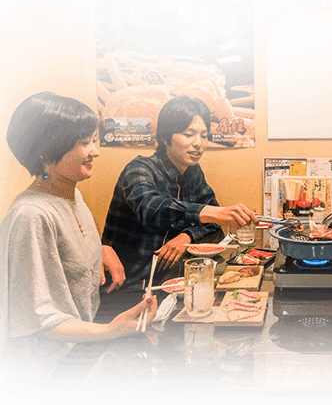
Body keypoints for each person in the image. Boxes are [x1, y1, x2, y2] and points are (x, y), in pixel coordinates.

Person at [0, 92, 158, 372]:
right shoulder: (31, 216)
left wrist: (101, 249)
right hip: (49, 366)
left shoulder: (71, 195)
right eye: (84, 143)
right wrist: (109, 331)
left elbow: (78, 231)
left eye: (94, 141)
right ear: (47, 151)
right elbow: (38, 321)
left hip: (82, 338)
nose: (94, 151)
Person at [102, 95, 257, 289]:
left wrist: (186, 236)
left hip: (170, 280)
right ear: (165, 137)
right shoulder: (140, 169)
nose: (198, 143)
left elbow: (213, 225)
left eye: (204, 135)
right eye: (188, 134)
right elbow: (150, 208)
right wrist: (211, 213)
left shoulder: (192, 172)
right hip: (130, 284)